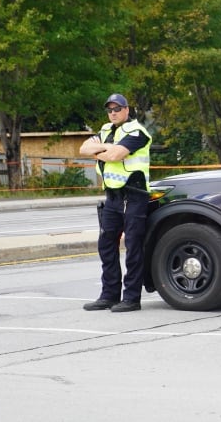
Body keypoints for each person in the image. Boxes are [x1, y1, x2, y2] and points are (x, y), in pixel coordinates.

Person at [80, 93, 152, 312]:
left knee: (133, 247)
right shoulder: (104, 130)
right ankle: (109, 295)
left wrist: (99, 150)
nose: (113, 113)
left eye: (117, 109)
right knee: (106, 245)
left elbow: (116, 155)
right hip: (112, 198)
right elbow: (83, 149)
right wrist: (106, 150)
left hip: (133, 196)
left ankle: (131, 298)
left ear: (127, 110)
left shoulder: (137, 131)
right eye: (110, 110)